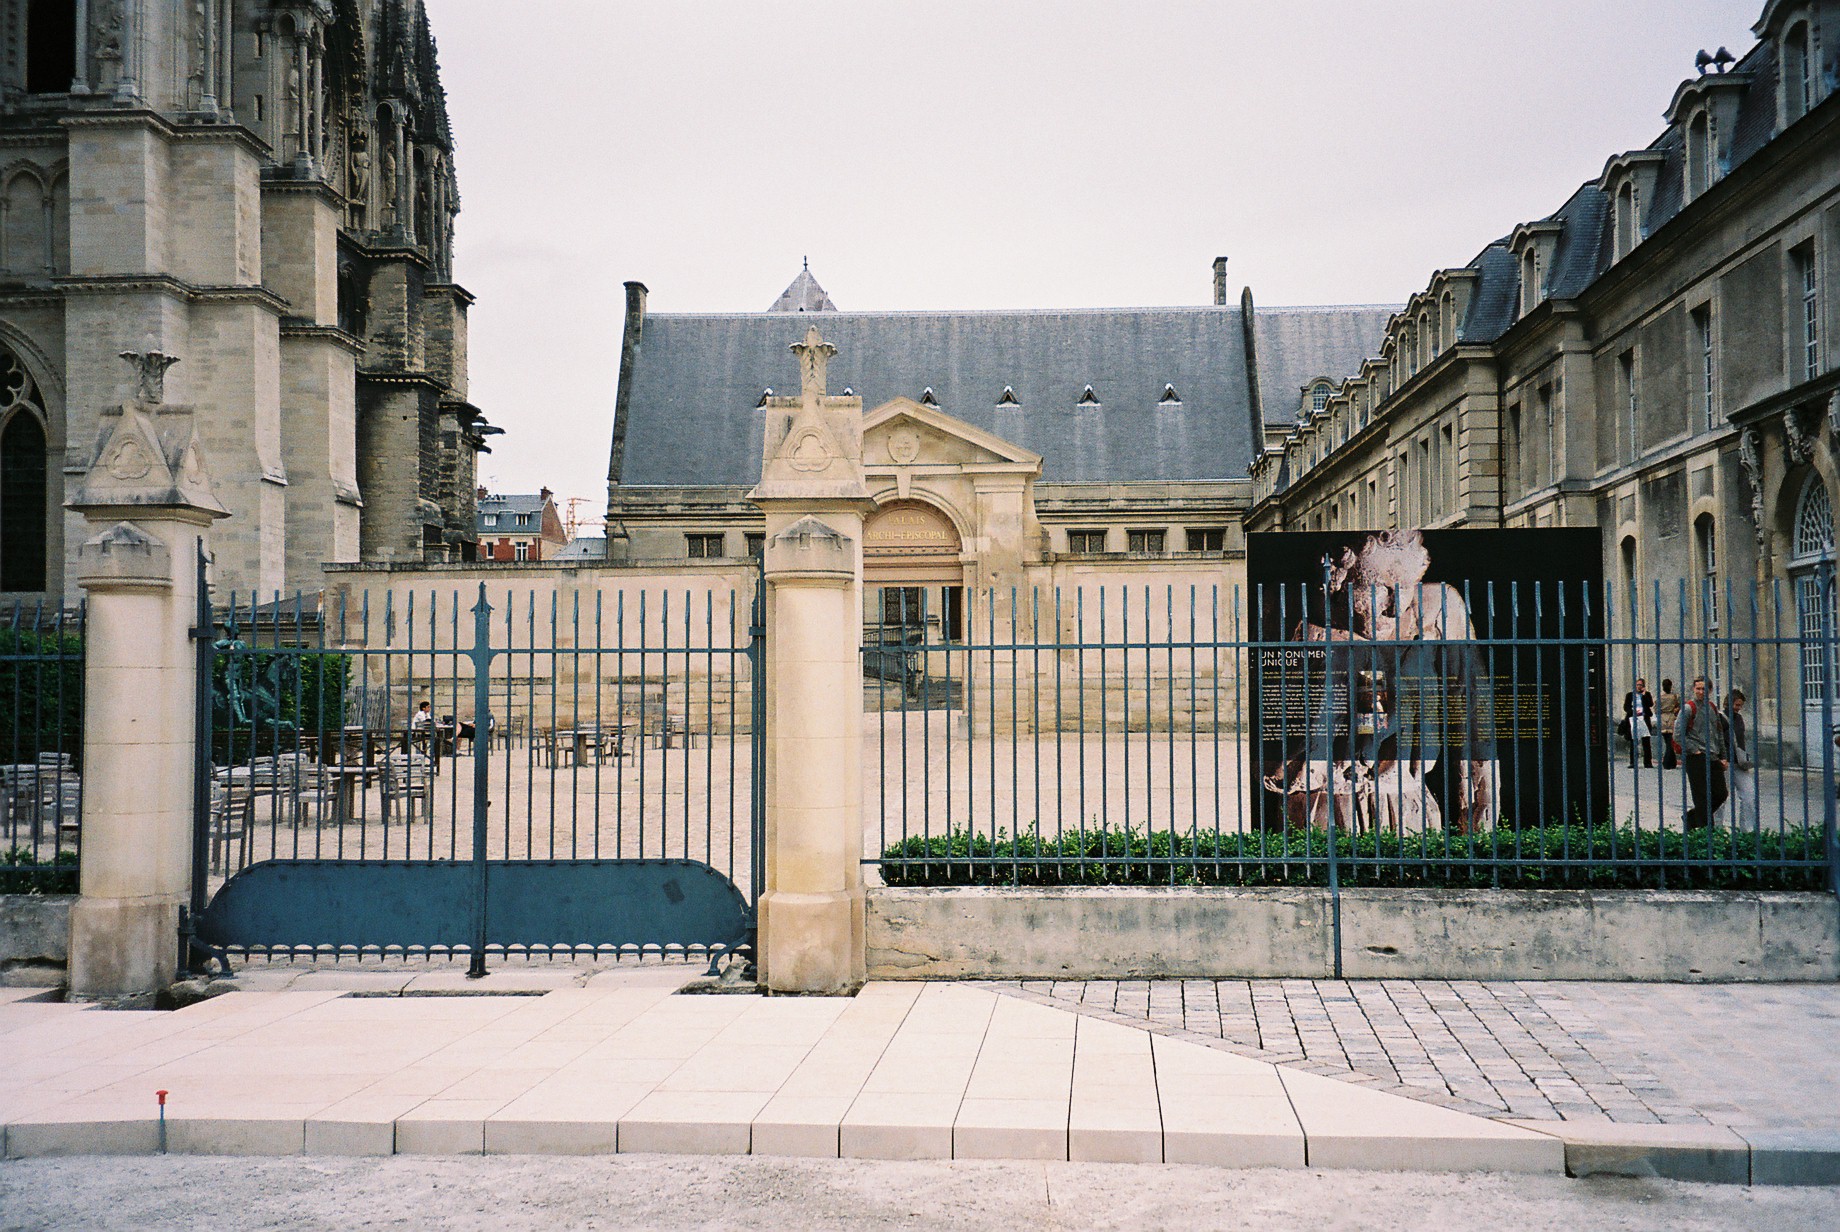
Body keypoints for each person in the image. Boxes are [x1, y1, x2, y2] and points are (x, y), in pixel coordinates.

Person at [1673, 676, 1728, 832]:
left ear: (1710, 691)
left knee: (1721, 793)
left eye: (1704, 689)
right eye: (1698, 688)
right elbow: (1678, 734)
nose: (1700, 692)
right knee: (1702, 797)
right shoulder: (1688, 708)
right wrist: (1694, 749)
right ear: (1694, 689)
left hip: (1713, 756)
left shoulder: (1712, 708)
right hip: (1696, 758)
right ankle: (1706, 832)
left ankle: (1691, 818)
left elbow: (1719, 733)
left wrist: (1723, 756)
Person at [1719, 688, 1755, 830]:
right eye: (1737, 705)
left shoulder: (1739, 718)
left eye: (1740, 705)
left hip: (1739, 762)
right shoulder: (1720, 718)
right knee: (1721, 798)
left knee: (1749, 795)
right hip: (1724, 762)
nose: (1739, 708)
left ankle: (1747, 830)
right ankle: (1716, 829)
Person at [1621, 678, 1655, 768]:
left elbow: (1650, 704)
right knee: (1633, 741)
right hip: (1633, 719)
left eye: (1641, 685)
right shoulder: (1630, 695)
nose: (1639, 687)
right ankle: (1633, 762)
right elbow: (1626, 707)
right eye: (1638, 685)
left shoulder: (1647, 694)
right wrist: (1633, 712)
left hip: (1644, 719)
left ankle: (1647, 762)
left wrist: (1644, 695)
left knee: (1646, 741)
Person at [1657, 679, 1681, 770]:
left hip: (1662, 719)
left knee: (1667, 741)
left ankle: (1671, 761)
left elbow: (1656, 709)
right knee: (1670, 742)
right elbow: (1678, 706)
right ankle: (1668, 762)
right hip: (1671, 718)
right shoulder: (1674, 697)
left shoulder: (1659, 697)